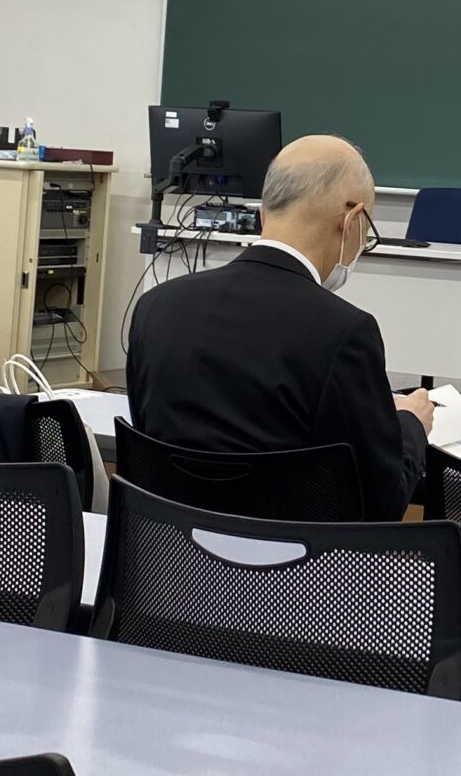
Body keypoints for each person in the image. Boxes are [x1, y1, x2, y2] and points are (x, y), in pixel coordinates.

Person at [126, 134, 434, 521]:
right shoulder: (344, 331)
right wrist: (411, 423)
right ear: (352, 219)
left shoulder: (156, 306)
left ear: (263, 215)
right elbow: (381, 502)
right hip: (293, 556)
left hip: (171, 549)